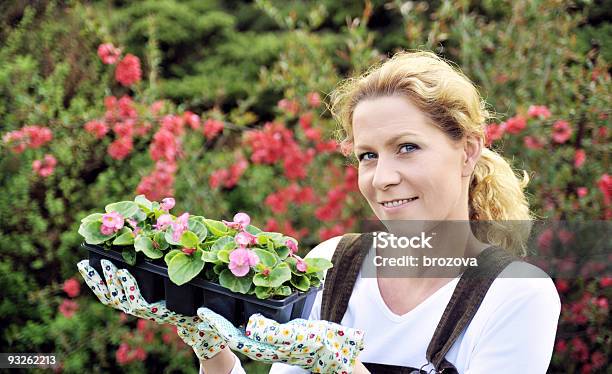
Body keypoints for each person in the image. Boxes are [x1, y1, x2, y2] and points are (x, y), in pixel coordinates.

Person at [79, 50, 561, 374]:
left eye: (407, 148)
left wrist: (343, 366)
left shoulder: (516, 296)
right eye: (368, 155)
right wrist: (211, 345)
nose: (382, 176)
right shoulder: (335, 264)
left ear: (469, 150)